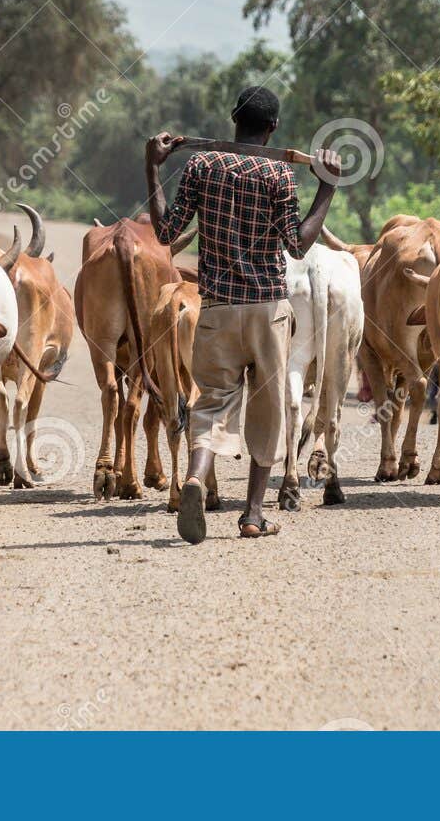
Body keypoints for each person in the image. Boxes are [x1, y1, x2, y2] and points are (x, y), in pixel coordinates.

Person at [145, 86, 341, 543]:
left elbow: (166, 231)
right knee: (268, 409)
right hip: (267, 309)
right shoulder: (278, 175)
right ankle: (252, 514)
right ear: (273, 128)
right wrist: (327, 189)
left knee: (211, 402)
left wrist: (152, 168)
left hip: (214, 307)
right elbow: (297, 243)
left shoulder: (200, 165)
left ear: (234, 120)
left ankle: (195, 477)